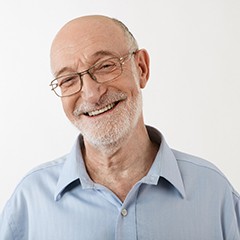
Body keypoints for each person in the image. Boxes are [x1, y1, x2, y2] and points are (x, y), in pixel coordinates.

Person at [0, 15, 239, 240]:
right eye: (68, 79)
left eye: (105, 66)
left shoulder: (213, 192)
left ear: (141, 68)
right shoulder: (29, 200)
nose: (92, 94)